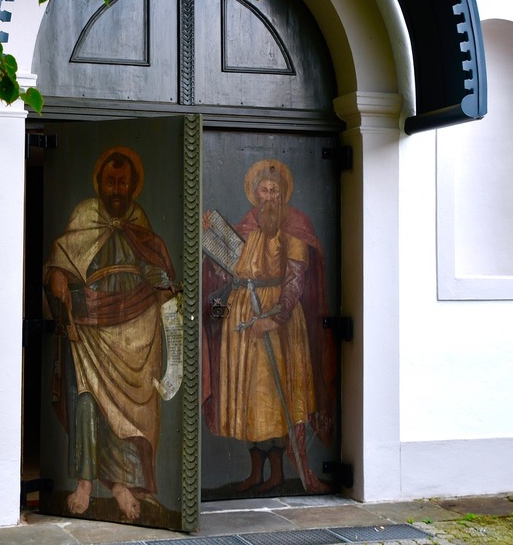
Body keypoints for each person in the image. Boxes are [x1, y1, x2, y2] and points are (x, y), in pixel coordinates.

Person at [44, 146, 177, 520]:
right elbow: (61, 260)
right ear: (99, 183)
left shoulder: (138, 218)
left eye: (123, 183)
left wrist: (163, 286)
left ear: (133, 185)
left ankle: (124, 485)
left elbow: (153, 264)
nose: (116, 189)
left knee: (131, 412)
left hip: (135, 328)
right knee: (87, 402)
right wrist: (56, 276)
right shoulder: (85, 214)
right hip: (89, 326)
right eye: (110, 182)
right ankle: (86, 484)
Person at [201, 159, 330, 493]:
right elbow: (225, 272)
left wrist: (275, 318)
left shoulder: (295, 225)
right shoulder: (245, 227)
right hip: (243, 319)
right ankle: (257, 473)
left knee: (278, 396)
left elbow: (295, 280)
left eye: (275, 190)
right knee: (249, 402)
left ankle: (280, 472)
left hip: (279, 322)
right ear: (255, 193)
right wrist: (209, 233)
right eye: (264, 189)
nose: (269, 196)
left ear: (283, 194)